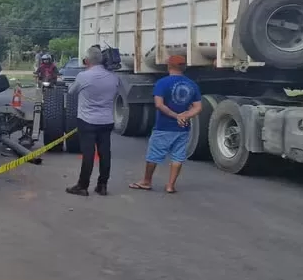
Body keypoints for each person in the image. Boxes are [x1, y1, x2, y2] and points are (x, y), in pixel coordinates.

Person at [130, 55, 202, 193]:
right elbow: (198, 107)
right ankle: (170, 185)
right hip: (183, 128)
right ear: (184, 67)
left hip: (163, 126)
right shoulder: (192, 84)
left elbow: (159, 105)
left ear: (169, 66)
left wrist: (176, 116)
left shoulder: (162, 83)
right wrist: (185, 116)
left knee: (154, 155)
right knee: (178, 156)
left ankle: (146, 181)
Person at [66, 46, 120, 196]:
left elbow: (71, 91)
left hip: (87, 120)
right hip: (107, 120)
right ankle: (102, 185)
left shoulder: (83, 76)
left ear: (86, 60)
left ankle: (82, 186)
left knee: (88, 154)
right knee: (105, 153)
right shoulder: (113, 77)